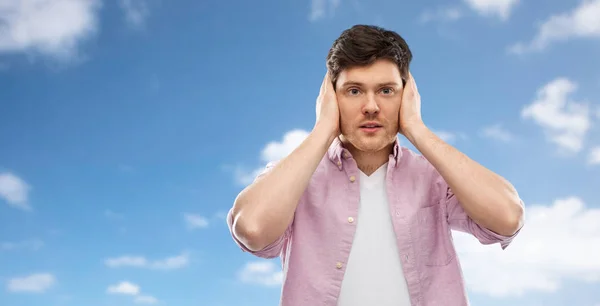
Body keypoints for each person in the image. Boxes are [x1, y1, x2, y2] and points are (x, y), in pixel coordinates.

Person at [226, 24, 525, 306]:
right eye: (354, 91)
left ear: (407, 96)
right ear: (331, 98)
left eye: (386, 91)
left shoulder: (433, 178)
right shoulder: (295, 179)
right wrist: (322, 129)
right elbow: (251, 229)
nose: (371, 106)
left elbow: (508, 218)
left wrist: (416, 128)